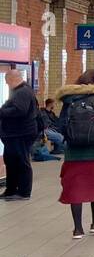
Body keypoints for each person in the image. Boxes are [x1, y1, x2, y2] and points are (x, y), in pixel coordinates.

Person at [54, 69, 94, 239]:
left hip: (74, 152)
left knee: (75, 187)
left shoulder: (69, 98)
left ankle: (77, 229)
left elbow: (61, 125)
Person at [1, 69, 40, 200]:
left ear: (12, 79)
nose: (7, 85)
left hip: (21, 133)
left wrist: (2, 112)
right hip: (13, 134)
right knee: (11, 161)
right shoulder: (19, 91)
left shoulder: (22, 92)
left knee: (22, 162)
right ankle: (11, 190)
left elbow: (20, 110)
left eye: (7, 82)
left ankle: (24, 192)